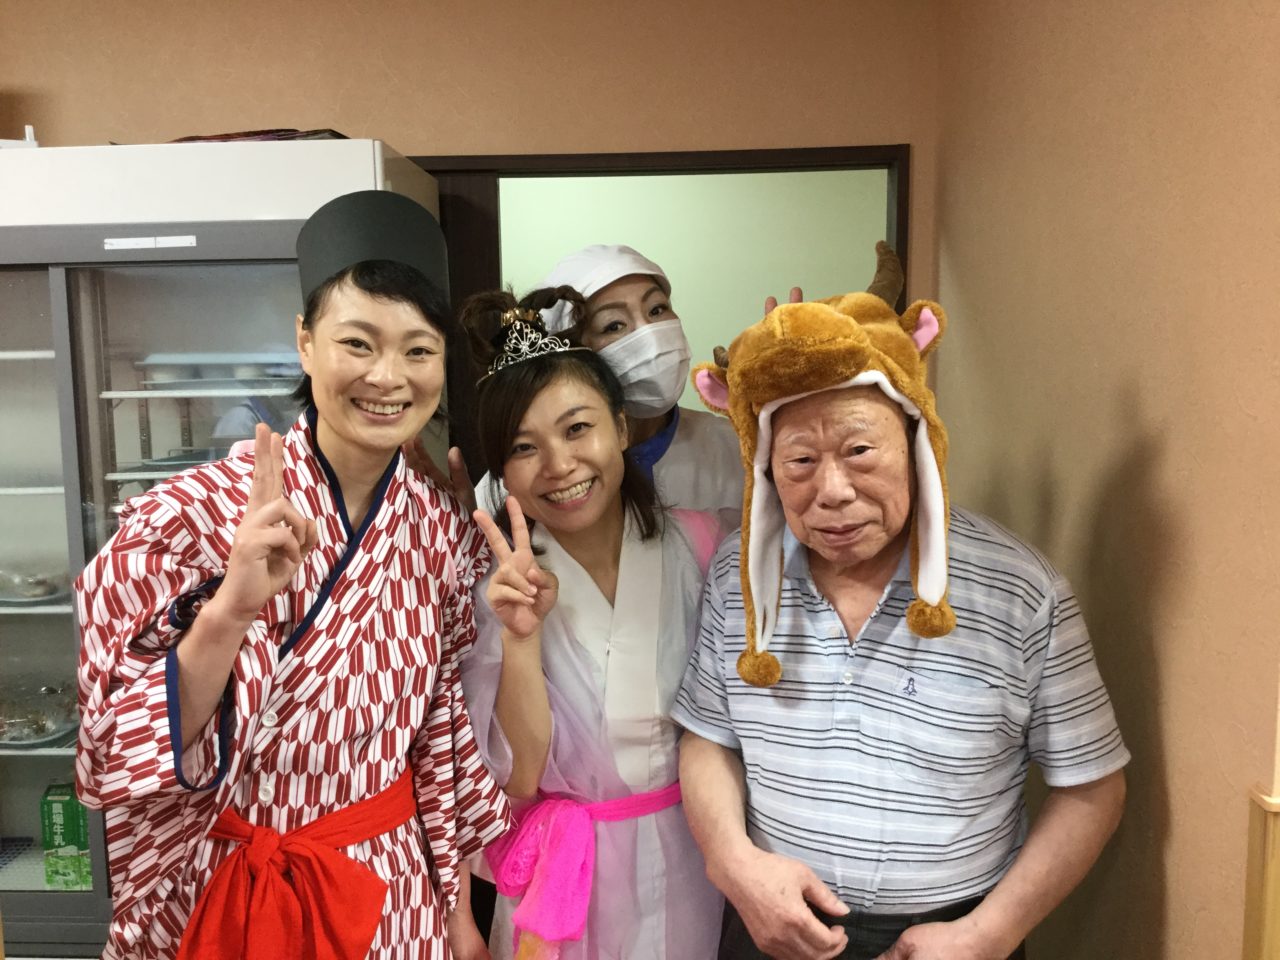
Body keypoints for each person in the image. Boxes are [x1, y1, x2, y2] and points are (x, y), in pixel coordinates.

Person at [74, 190, 511, 960]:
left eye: (418, 350)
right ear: (305, 342)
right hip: (232, 884)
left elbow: (439, 736)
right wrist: (229, 610)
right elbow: (111, 748)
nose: (389, 376)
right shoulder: (187, 516)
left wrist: (456, 912)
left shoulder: (440, 530)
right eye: (358, 343)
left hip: (390, 889)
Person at [670, 272, 1129, 960]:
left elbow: (1092, 787)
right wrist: (732, 863)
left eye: (859, 451)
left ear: (916, 442)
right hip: (771, 923)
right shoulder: (738, 578)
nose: (832, 491)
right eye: (799, 460)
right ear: (764, 468)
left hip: (956, 936)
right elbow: (708, 738)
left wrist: (989, 933)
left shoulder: (1021, 591)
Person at [454, 288, 727, 960]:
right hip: (562, 877)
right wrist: (521, 639)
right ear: (502, 471)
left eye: (578, 429)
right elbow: (519, 780)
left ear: (621, 428)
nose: (559, 466)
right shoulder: (497, 588)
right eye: (524, 447)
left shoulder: (702, 546)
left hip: (690, 858)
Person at [477, 244, 744, 516]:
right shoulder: (517, 484)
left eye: (657, 309)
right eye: (613, 325)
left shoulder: (736, 448)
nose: (650, 337)